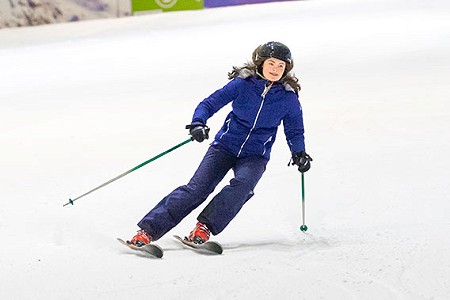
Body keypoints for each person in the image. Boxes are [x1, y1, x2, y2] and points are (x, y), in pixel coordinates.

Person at [128, 41, 313, 247]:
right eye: (271, 63)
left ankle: (204, 227)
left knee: (243, 186)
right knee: (197, 189)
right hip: (224, 147)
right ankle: (147, 231)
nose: (276, 69)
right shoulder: (243, 84)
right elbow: (210, 103)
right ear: (260, 63)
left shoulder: (288, 98)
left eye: (281, 66)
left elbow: (295, 130)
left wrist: (299, 153)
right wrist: (198, 123)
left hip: (255, 155)